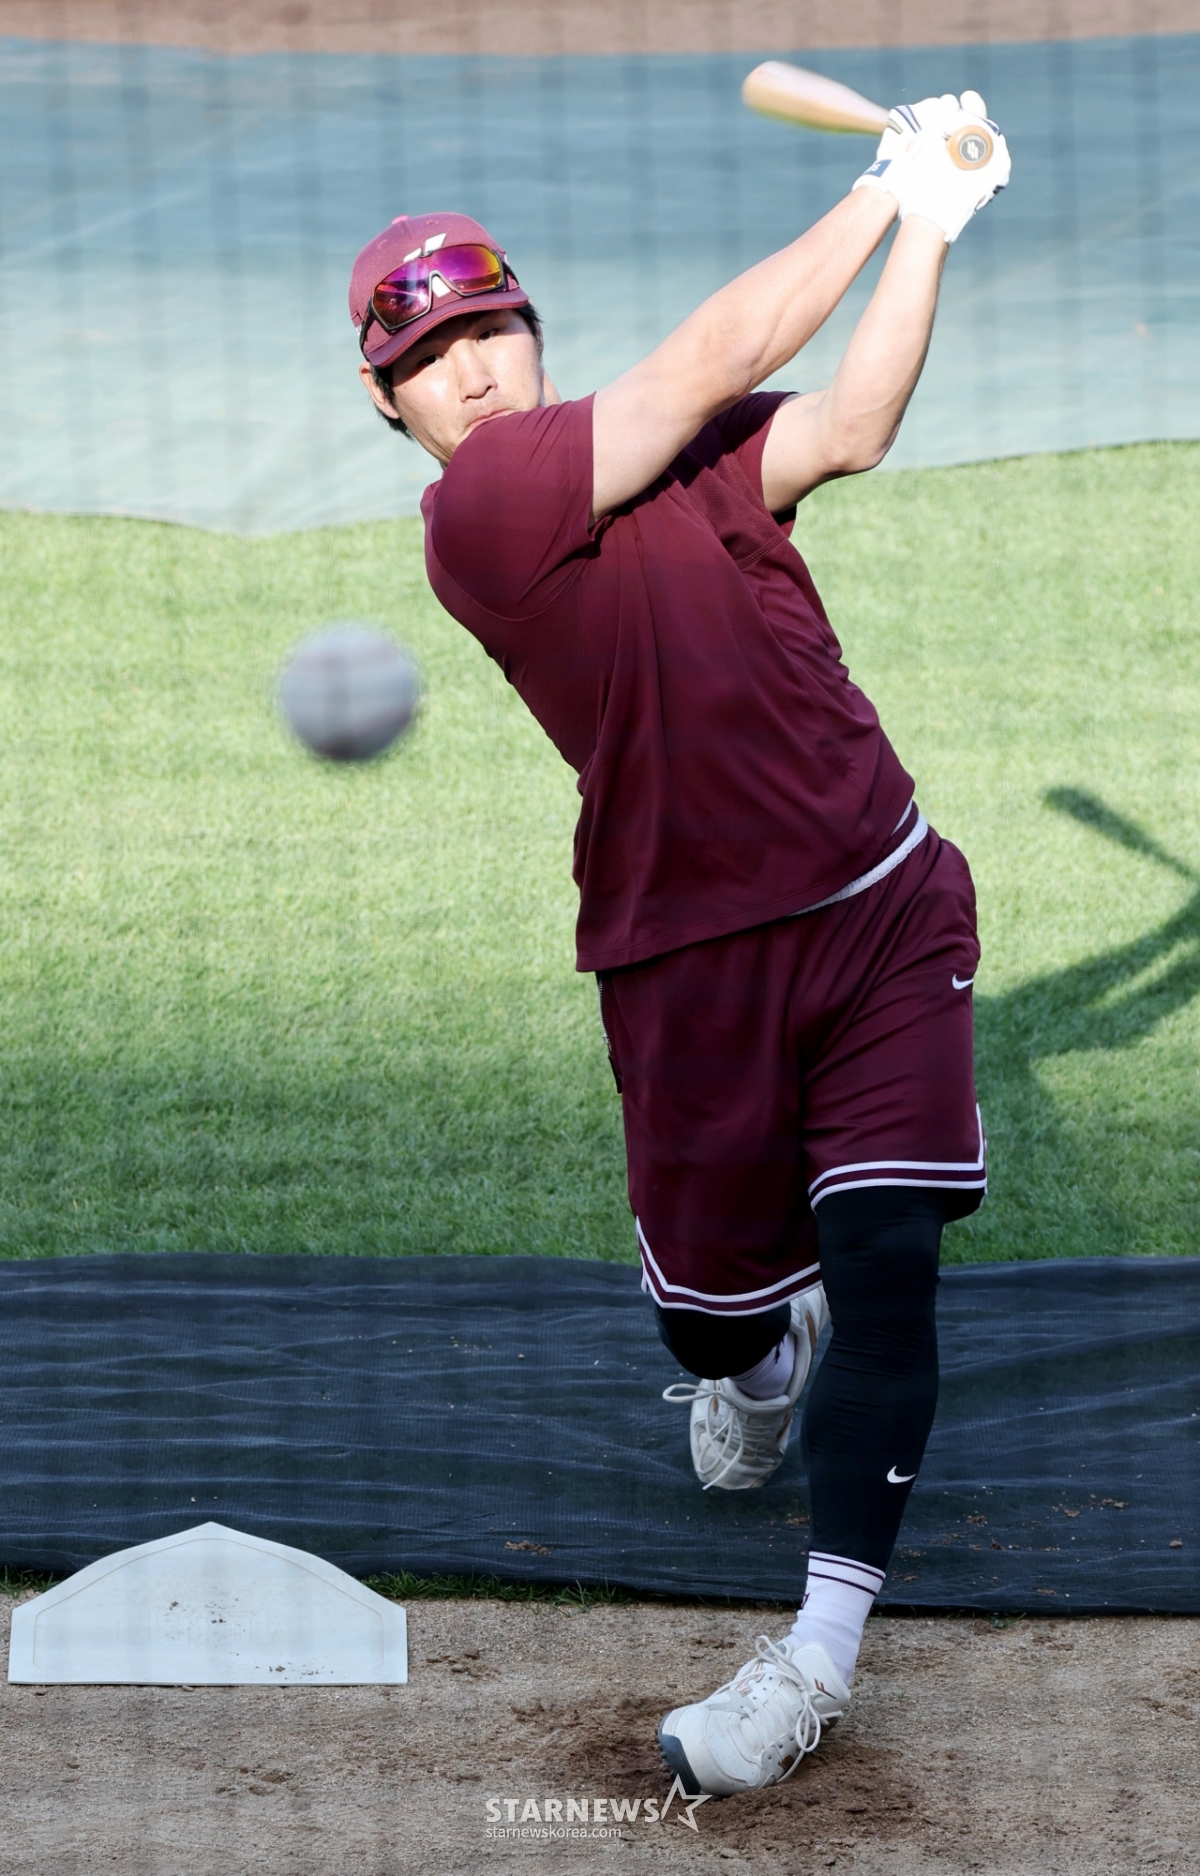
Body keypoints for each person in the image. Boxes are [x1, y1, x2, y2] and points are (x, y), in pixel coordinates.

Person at [350, 92, 1010, 1798]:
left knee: (887, 1266)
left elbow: (850, 422)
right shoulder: (483, 514)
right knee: (715, 1328)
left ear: (532, 330)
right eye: (432, 357)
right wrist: (882, 185)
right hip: (687, 962)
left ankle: (817, 1658)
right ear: (388, 400)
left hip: (879, 903)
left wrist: (933, 226)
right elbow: (726, 346)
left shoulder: (675, 452)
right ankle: (757, 1362)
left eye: (493, 330)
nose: (475, 371)